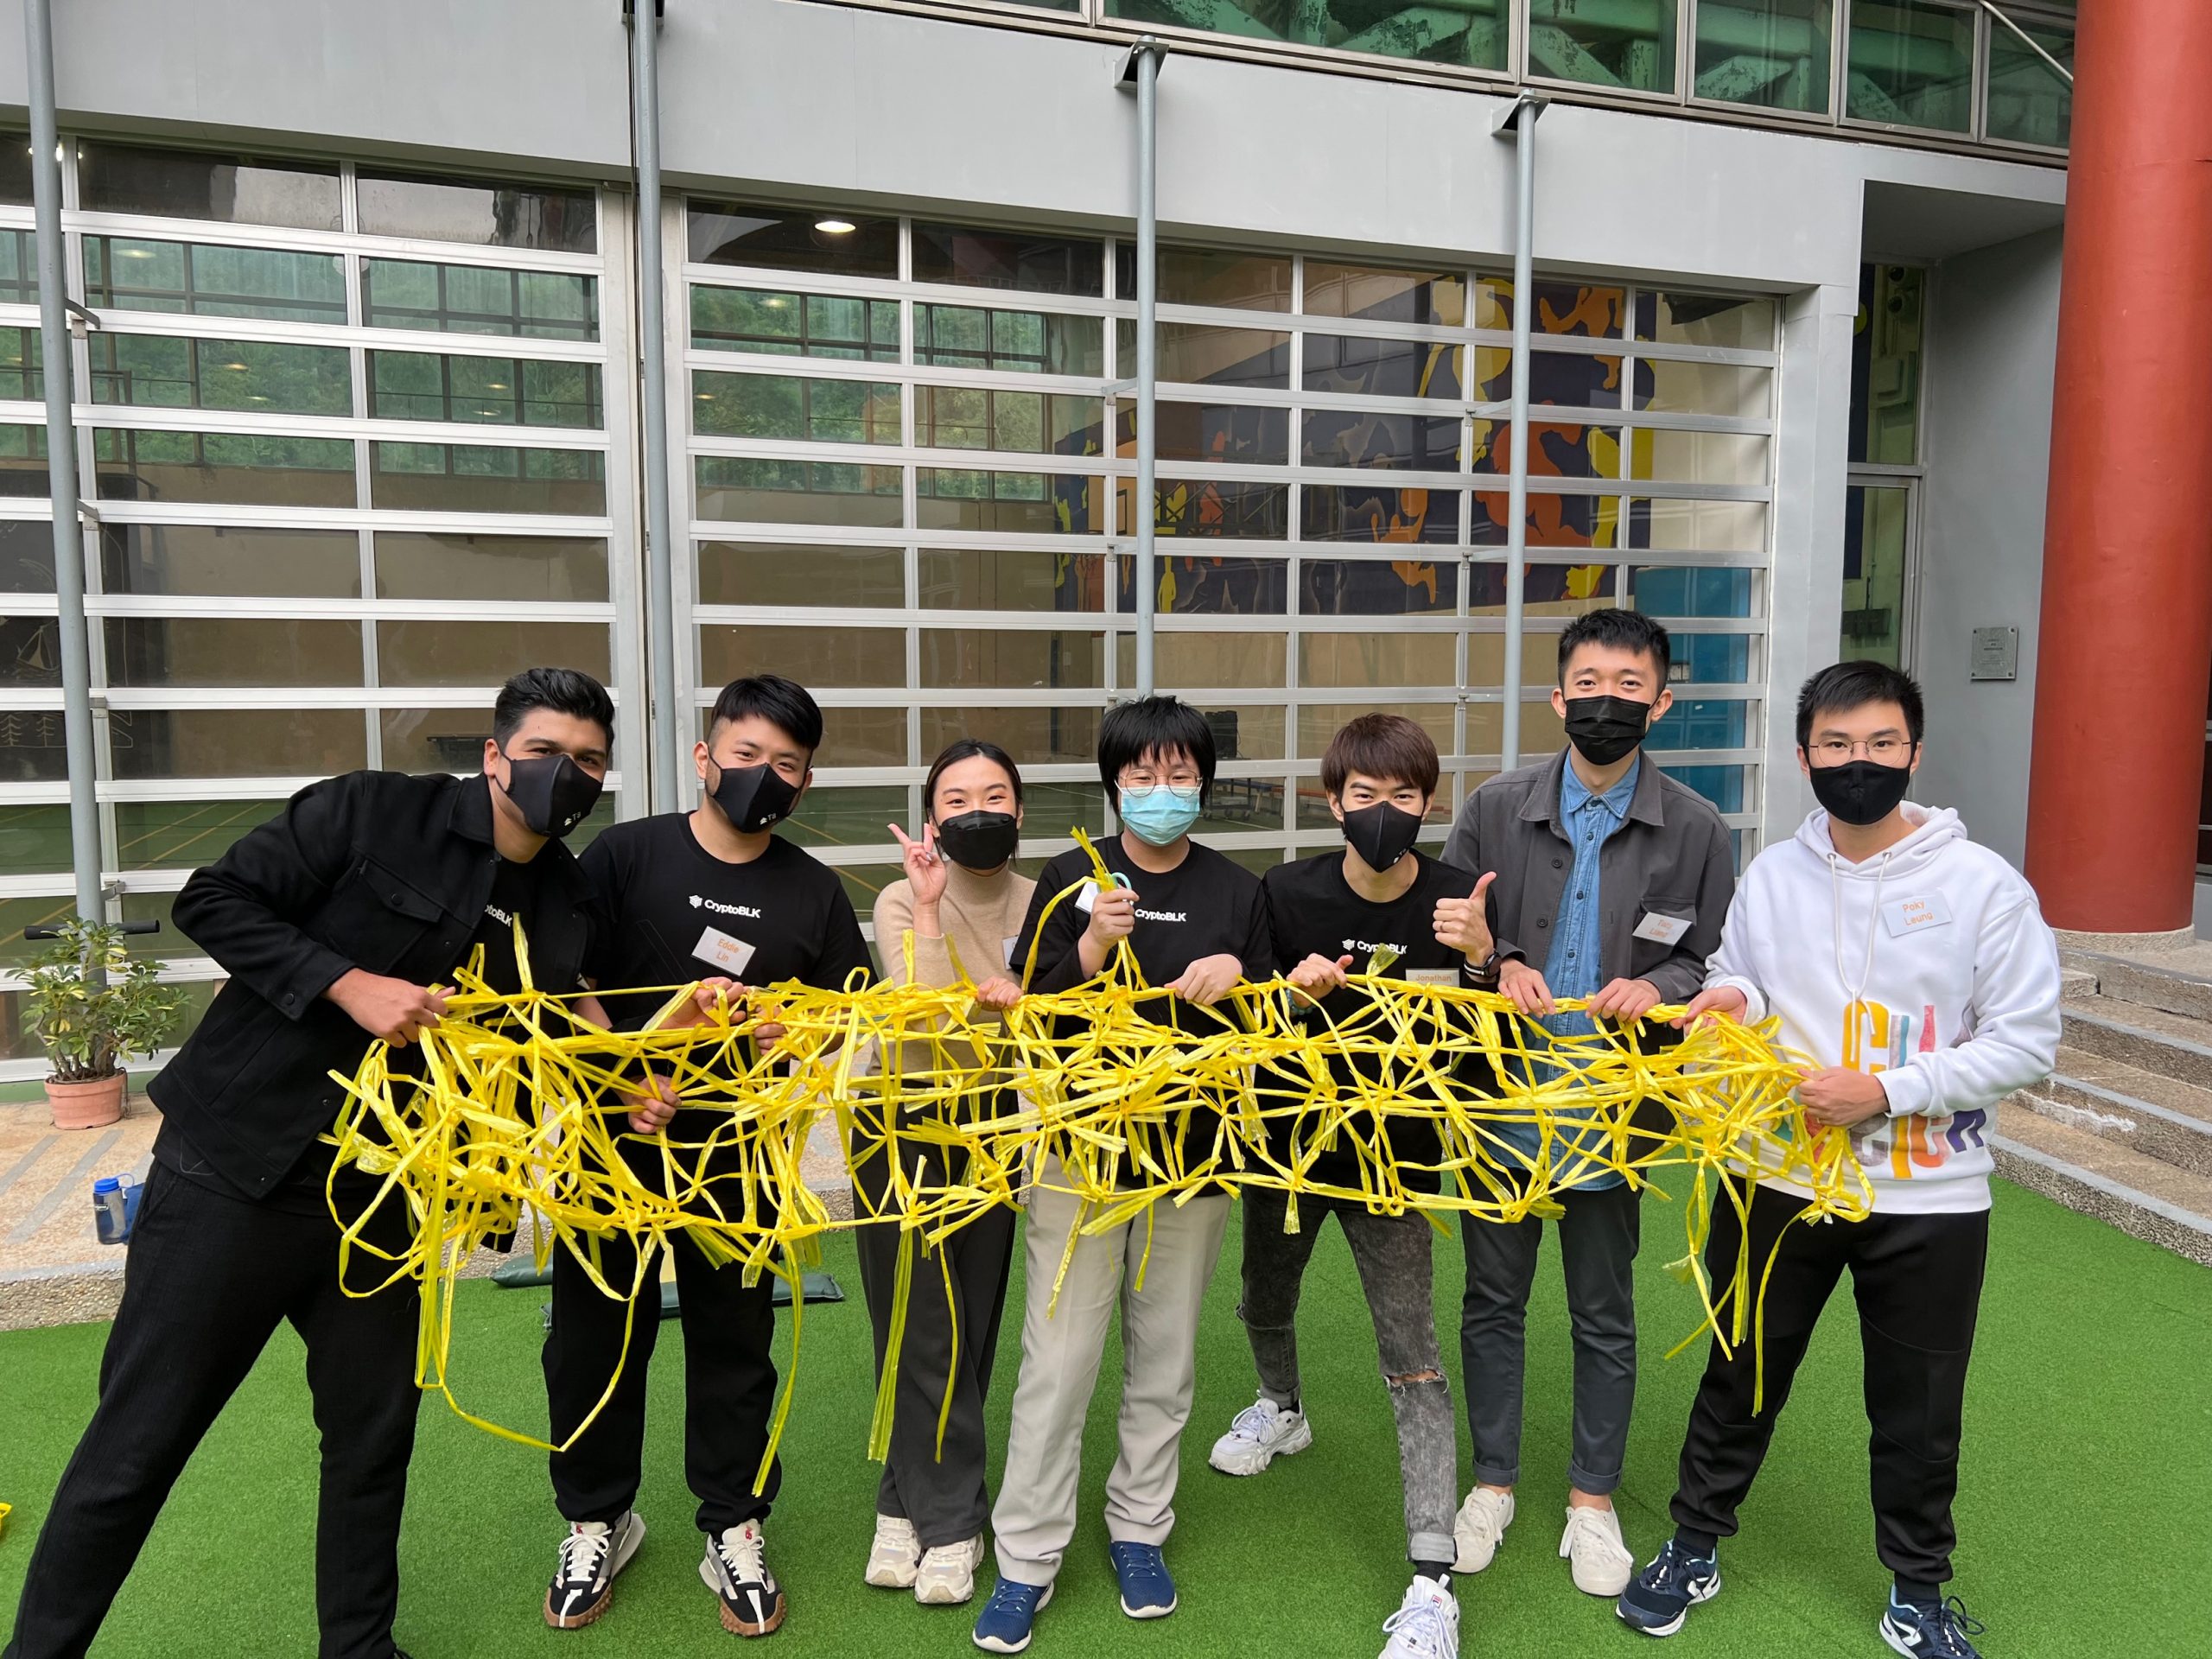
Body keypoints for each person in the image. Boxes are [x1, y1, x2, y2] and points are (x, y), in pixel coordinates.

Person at [2, 667, 613, 1659]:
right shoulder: (373, 810)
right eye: (546, 751)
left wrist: (640, 1065)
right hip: (240, 1170)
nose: (566, 774)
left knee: (373, 1439)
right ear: (495, 754)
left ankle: (360, 1648)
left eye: (588, 761)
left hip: (384, 1202)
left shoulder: (565, 900)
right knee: (137, 1443)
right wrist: (346, 982)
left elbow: (546, 1046)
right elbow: (213, 899)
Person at [1618, 663, 2060, 1659]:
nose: (1858, 763)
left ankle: (1917, 1590)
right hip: (1775, 1176)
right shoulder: (1774, 873)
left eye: (1879, 744)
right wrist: (1729, 1001)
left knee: (1918, 1407)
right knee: (1741, 1370)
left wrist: (1888, 1090)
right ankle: (1692, 1544)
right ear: (1804, 755)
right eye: (1836, 745)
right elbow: (1743, 976)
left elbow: (2026, 1043)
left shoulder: (1984, 885)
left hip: (1930, 1194)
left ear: (1913, 752)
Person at [538, 673, 870, 1640]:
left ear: (805, 781)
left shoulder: (812, 890)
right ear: (703, 756)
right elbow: (563, 980)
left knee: (735, 1343)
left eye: (786, 764)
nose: (763, 775)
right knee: (596, 1337)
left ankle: (732, 1523)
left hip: (737, 1154)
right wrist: (620, 1073)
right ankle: (596, 1518)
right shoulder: (624, 854)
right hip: (614, 1140)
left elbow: (843, 1013)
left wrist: (794, 1033)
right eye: (745, 754)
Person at [1440, 607, 1736, 1597]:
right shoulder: (1494, 806)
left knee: (1603, 1313)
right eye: (1589, 685)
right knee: (1491, 1303)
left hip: (1613, 1112)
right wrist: (1497, 959)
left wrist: (1659, 988)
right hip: (1500, 1106)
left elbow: (1713, 959)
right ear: (1557, 696)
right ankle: (1491, 1483)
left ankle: (1591, 1501)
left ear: (1661, 701)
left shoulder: (1695, 829)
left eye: (1628, 686)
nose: (1607, 702)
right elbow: (1454, 930)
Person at [973, 696, 1272, 1655]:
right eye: (1141, 775)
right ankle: (1026, 1557)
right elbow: (1032, 1006)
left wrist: (1239, 974)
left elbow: (1275, 1029)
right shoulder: (1072, 877)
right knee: (1057, 1361)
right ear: (1112, 784)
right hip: (1081, 1154)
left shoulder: (1239, 890)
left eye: (1179, 773)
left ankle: (1140, 1529)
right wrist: (1096, 942)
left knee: (1166, 1357)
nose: (1160, 790)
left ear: (1204, 783)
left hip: (1192, 1159)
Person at [1205, 714, 1500, 1659]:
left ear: (1428, 804)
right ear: (1332, 803)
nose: (1383, 812)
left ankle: (1432, 1580)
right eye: (1364, 795)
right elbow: (1247, 1036)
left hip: (1396, 1162)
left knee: (1412, 1355)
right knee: (1264, 1298)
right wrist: (1290, 999)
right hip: (1289, 1153)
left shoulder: (1459, 898)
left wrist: (1481, 962)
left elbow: (1486, 1063)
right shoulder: (1285, 891)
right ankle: (1282, 1405)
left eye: (1403, 796)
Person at [857, 740, 1035, 1606]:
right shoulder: (902, 895)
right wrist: (929, 909)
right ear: (932, 820)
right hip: (898, 1118)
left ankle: (903, 1501)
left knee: (972, 1316)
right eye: (956, 799)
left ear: (1020, 810)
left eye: (994, 795)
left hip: (992, 1125)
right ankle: (955, 1520)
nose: (977, 812)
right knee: (917, 1318)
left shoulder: (1046, 902)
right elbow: (925, 1023)